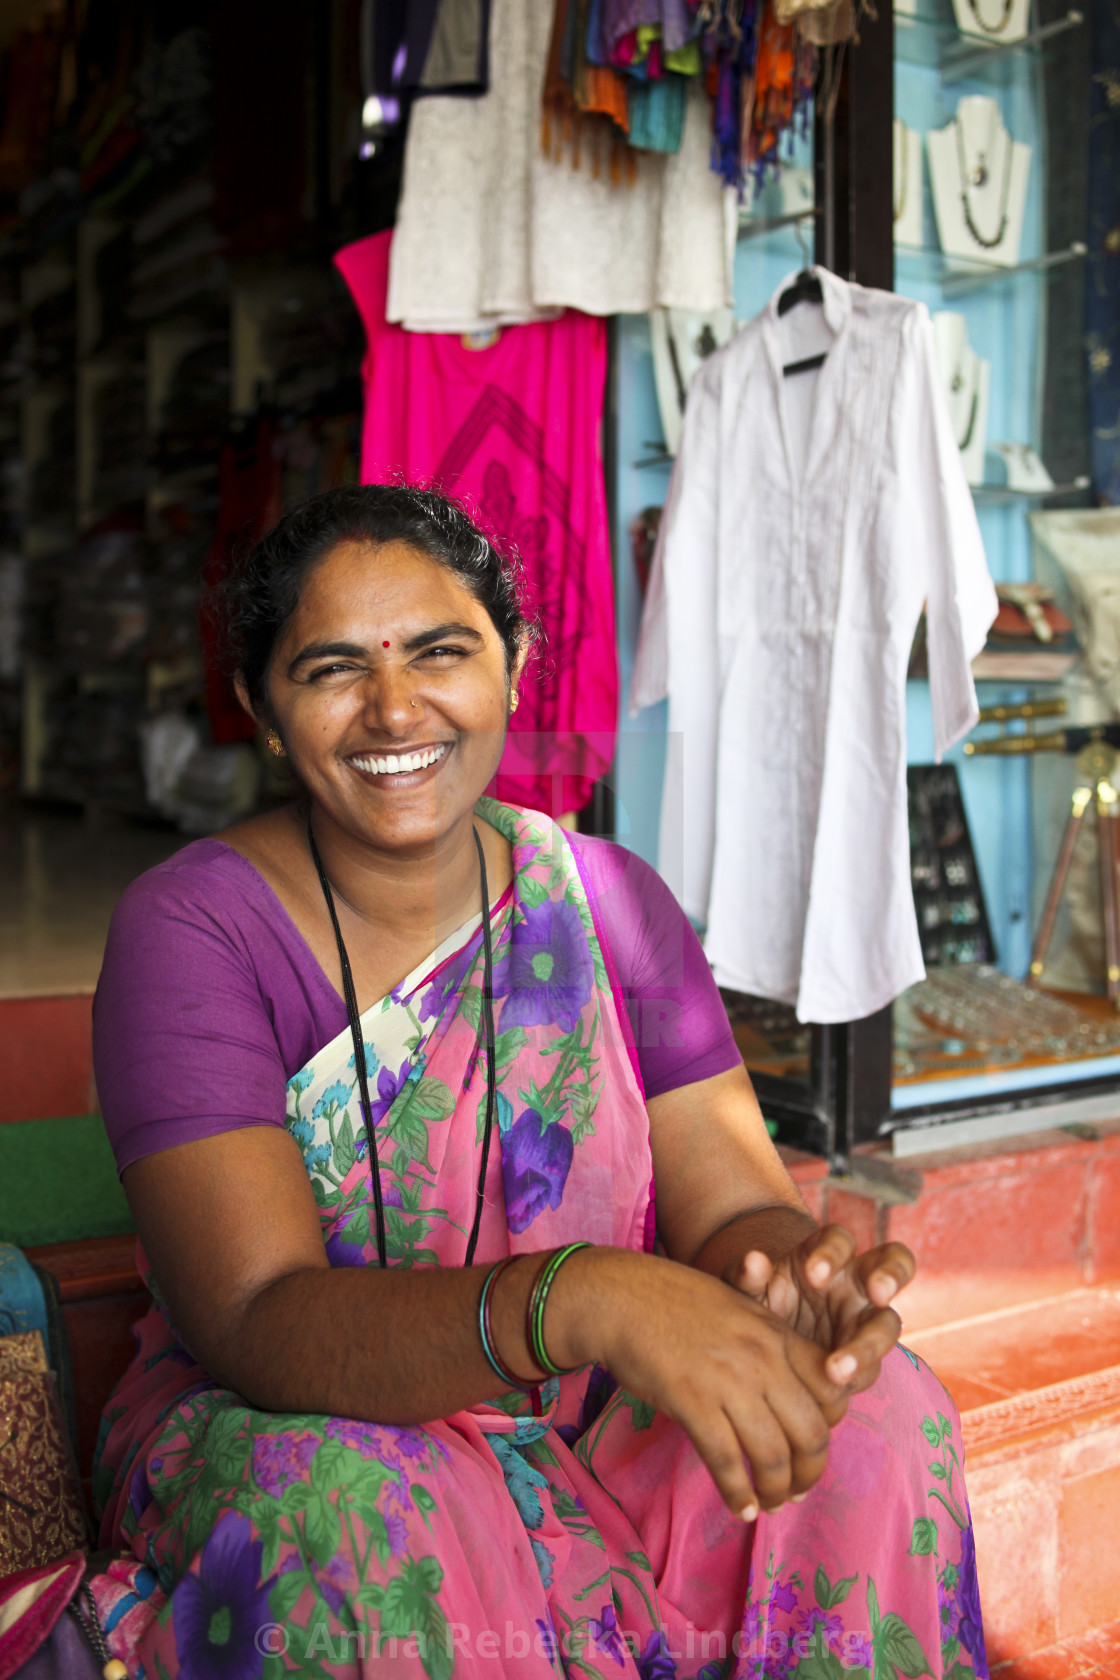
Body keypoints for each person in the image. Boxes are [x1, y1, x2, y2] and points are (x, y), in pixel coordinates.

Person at [91, 485, 988, 1680]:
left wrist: (788, 1282)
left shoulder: (608, 901)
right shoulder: (195, 929)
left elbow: (734, 1211)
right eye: (331, 669)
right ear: (263, 710)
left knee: (878, 1418)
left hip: (589, 1408)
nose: (395, 707)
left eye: (439, 652)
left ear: (512, 665)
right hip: (301, 1426)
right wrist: (580, 1297)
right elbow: (254, 1319)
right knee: (367, 1518)